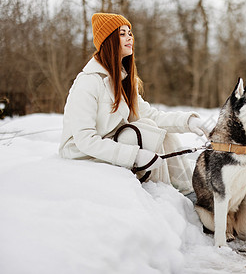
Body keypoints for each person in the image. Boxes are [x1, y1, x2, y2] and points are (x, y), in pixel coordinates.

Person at [59, 12, 208, 195]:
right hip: (82, 152)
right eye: (122, 34)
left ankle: (189, 193)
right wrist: (134, 156)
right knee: (148, 132)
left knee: (159, 130)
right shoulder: (88, 81)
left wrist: (190, 122)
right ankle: (163, 195)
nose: (129, 37)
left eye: (130, 33)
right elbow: (85, 140)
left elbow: (150, 115)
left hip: (111, 140)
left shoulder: (122, 80)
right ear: (109, 41)